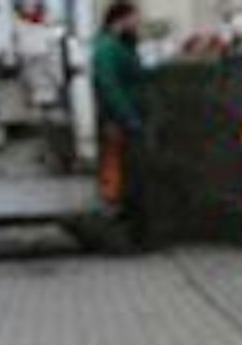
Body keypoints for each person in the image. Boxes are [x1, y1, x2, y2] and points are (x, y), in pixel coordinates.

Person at [92, 1, 147, 246]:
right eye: (134, 19)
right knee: (118, 175)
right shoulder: (108, 48)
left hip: (126, 119)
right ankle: (119, 231)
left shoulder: (120, 46)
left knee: (126, 174)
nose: (138, 24)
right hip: (118, 121)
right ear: (121, 20)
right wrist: (127, 116)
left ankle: (128, 230)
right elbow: (110, 86)